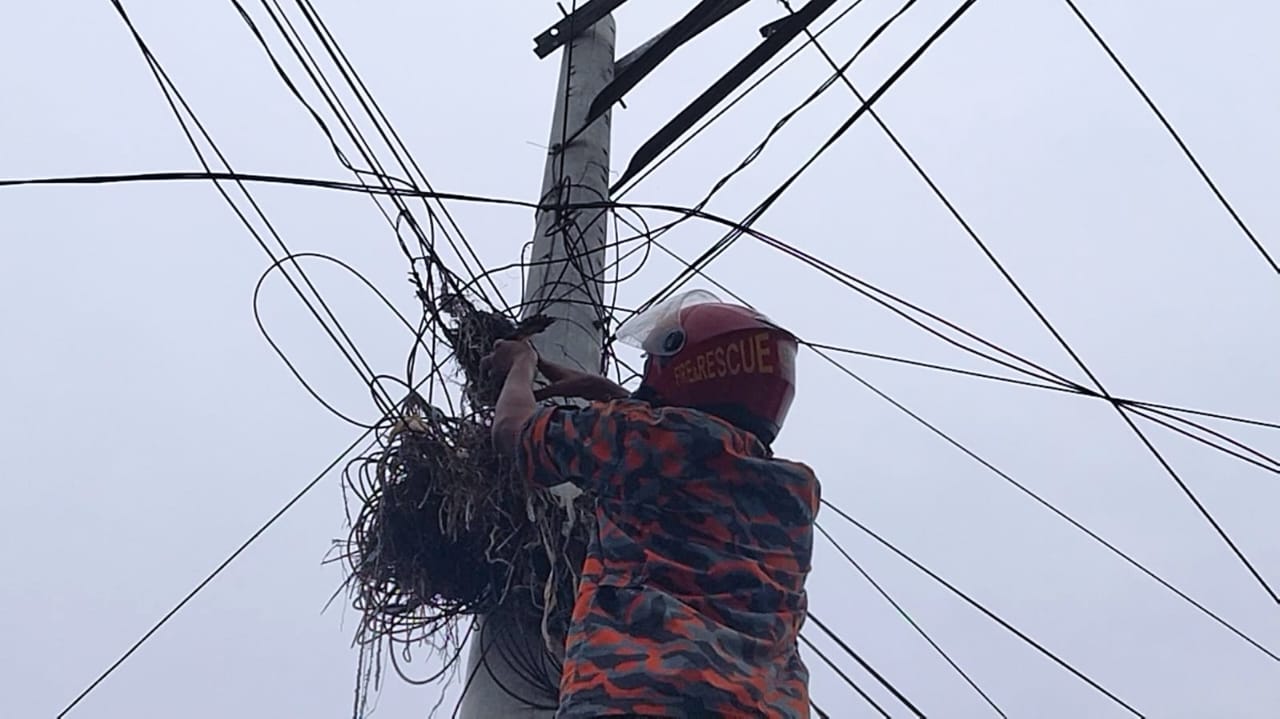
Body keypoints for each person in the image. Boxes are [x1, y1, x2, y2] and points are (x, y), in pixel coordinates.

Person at [484, 290, 819, 719]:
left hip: (637, 695)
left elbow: (514, 432)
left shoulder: (644, 438)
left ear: (690, 365)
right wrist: (598, 391)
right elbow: (670, 435)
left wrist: (521, 365)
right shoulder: (793, 493)